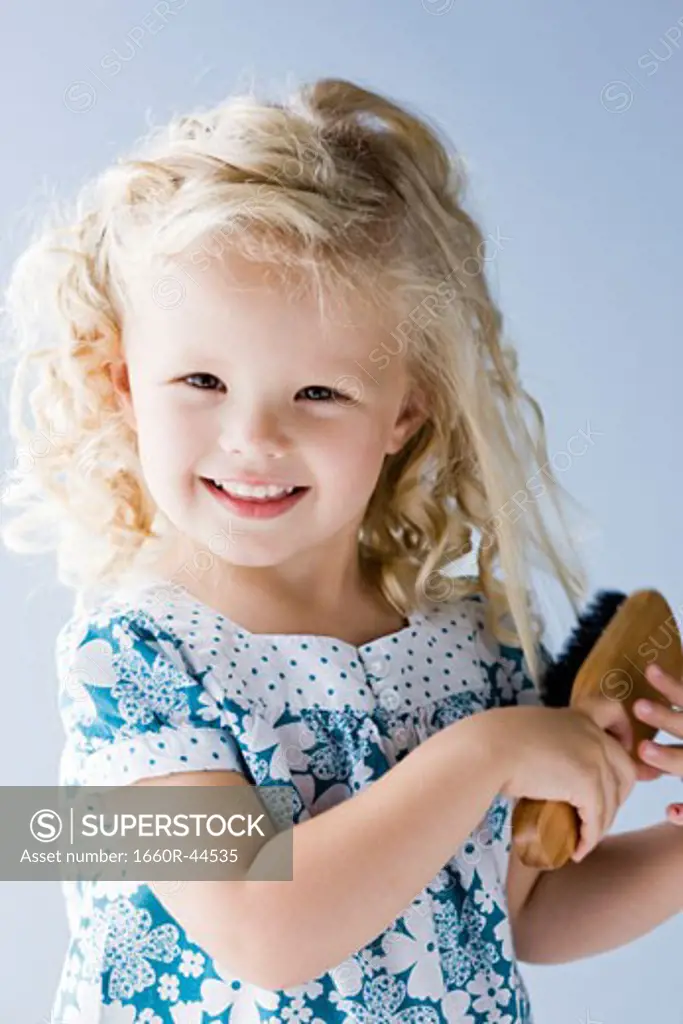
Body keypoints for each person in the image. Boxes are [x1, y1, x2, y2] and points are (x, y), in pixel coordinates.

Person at [1, 76, 664, 1023]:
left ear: (405, 409)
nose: (254, 437)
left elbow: (519, 913)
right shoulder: (133, 662)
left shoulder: (470, 647)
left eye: (319, 393)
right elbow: (265, 929)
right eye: (200, 379)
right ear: (125, 388)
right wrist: (487, 755)